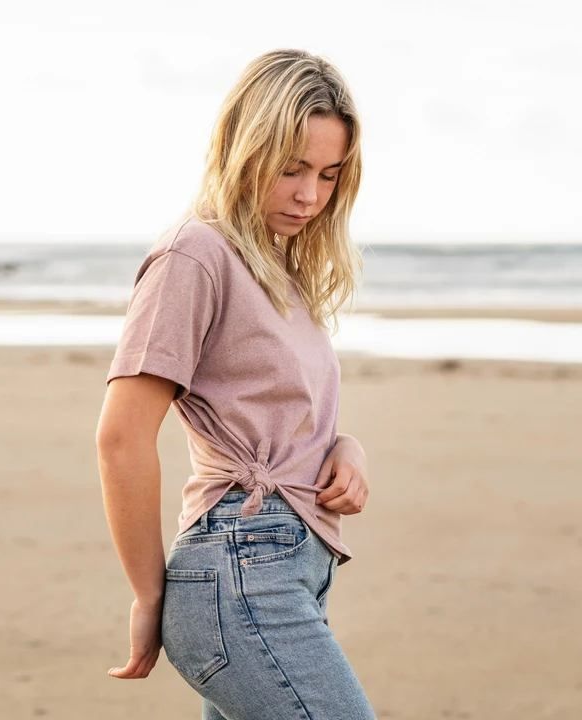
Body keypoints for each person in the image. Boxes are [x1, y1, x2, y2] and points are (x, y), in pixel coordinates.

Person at [96, 48, 376, 719]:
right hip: (241, 573)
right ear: (242, 148)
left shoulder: (277, 268)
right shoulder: (195, 255)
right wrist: (148, 596)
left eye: (328, 175)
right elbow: (121, 437)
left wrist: (348, 448)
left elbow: (274, 415)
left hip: (290, 570)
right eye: (290, 169)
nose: (309, 194)